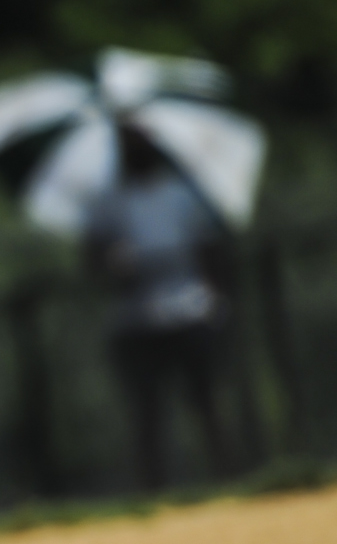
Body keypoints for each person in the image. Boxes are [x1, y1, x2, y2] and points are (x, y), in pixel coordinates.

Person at [83, 127, 233, 490]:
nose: (138, 152)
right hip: (138, 320)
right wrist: (112, 264)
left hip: (190, 311)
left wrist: (217, 296)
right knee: (148, 415)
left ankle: (230, 480)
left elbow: (211, 248)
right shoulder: (110, 203)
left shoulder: (182, 194)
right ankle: (155, 492)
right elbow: (90, 262)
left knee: (207, 403)